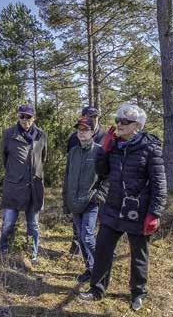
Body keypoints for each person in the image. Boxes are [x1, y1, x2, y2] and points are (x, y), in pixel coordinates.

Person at [79, 103, 167, 311]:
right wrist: (105, 150)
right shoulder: (116, 146)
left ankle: (138, 293)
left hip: (138, 210)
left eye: (124, 122)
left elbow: (159, 184)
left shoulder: (150, 147)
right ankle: (97, 289)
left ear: (137, 125)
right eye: (117, 120)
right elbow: (102, 172)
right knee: (102, 248)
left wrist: (154, 213)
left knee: (139, 254)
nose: (118, 124)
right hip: (113, 207)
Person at [0, 104, 47, 263]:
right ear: (18, 116)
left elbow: (43, 158)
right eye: (22, 116)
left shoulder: (42, 135)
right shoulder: (8, 134)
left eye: (29, 117)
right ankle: (4, 251)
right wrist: (16, 174)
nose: (25, 120)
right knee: (8, 223)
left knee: (33, 225)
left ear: (34, 118)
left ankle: (32, 255)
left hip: (34, 187)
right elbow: (4, 159)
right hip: (13, 186)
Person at [62, 117, 108, 283]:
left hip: (90, 201)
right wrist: (65, 204)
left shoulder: (99, 151)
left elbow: (107, 177)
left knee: (87, 236)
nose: (81, 132)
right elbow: (67, 179)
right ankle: (90, 268)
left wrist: (99, 195)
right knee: (81, 237)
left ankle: (102, 270)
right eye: (79, 130)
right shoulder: (73, 152)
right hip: (74, 202)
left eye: (85, 129)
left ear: (92, 132)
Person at [66, 106, 106, 255]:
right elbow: (70, 167)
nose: (93, 120)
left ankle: (101, 258)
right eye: (89, 117)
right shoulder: (73, 138)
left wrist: (100, 193)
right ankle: (77, 247)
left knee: (93, 231)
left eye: (95, 117)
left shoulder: (107, 136)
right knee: (81, 229)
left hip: (96, 194)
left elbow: (109, 172)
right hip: (77, 194)